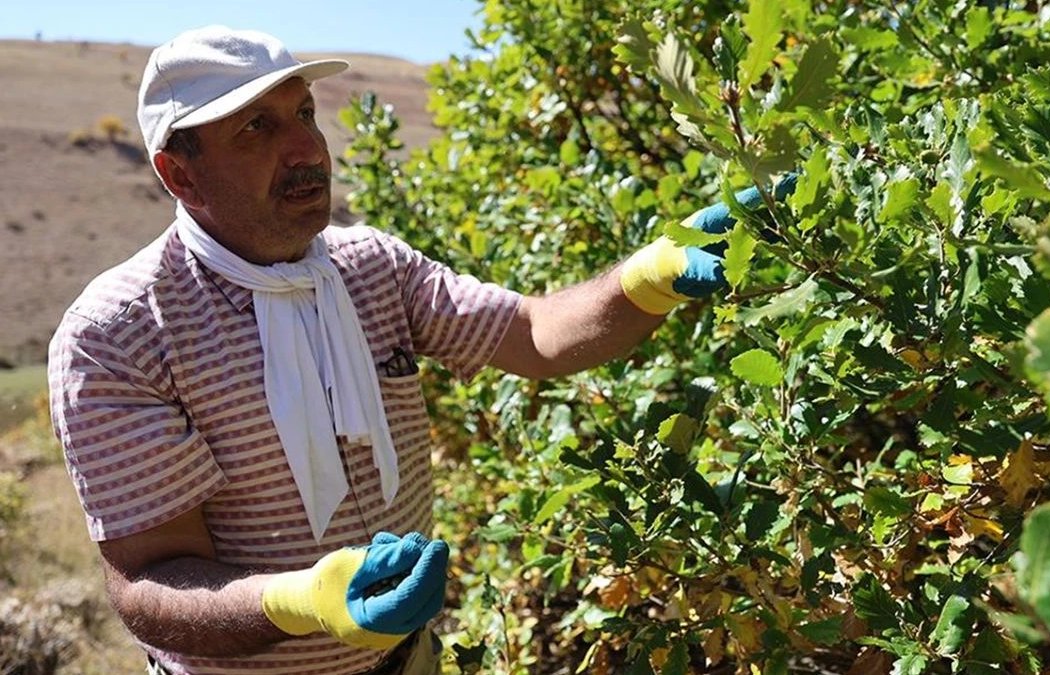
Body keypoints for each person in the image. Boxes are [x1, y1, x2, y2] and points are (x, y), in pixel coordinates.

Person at [46, 25, 790, 675]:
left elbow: (531, 335)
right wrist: (299, 601)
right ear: (179, 173)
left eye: (303, 112)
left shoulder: (370, 267)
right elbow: (148, 584)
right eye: (256, 130)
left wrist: (646, 278)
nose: (306, 148)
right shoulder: (119, 336)